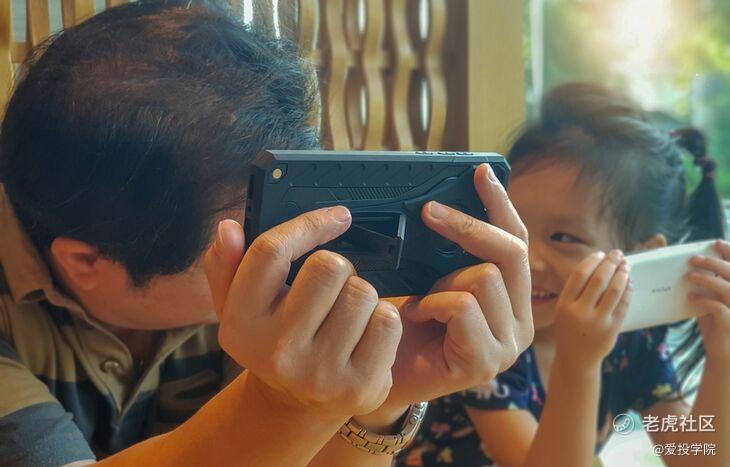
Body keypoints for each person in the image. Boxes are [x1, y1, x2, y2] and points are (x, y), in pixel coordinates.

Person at [0, 1, 534, 465]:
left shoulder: (232, 273)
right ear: (86, 262)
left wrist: (380, 394)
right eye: (254, 236)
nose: (287, 252)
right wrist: (287, 404)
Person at [397, 83, 730, 466]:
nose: (527, 258)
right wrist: (579, 363)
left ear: (640, 255)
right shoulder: (485, 332)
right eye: (512, 227)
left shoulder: (632, 343)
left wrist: (722, 358)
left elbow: (697, 459)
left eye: (564, 238)